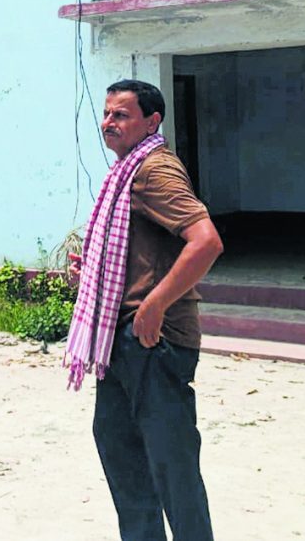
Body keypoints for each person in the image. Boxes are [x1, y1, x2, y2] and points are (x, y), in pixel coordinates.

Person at [65, 79, 224, 541]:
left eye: (121, 115)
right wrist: (91, 272)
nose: (108, 123)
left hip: (155, 342)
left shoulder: (155, 170)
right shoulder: (125, 172)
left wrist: (155, 305)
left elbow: (206, 242)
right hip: (119, 341)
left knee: (172, 465)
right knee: (121, 452)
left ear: (152, 122)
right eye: (107, 113)